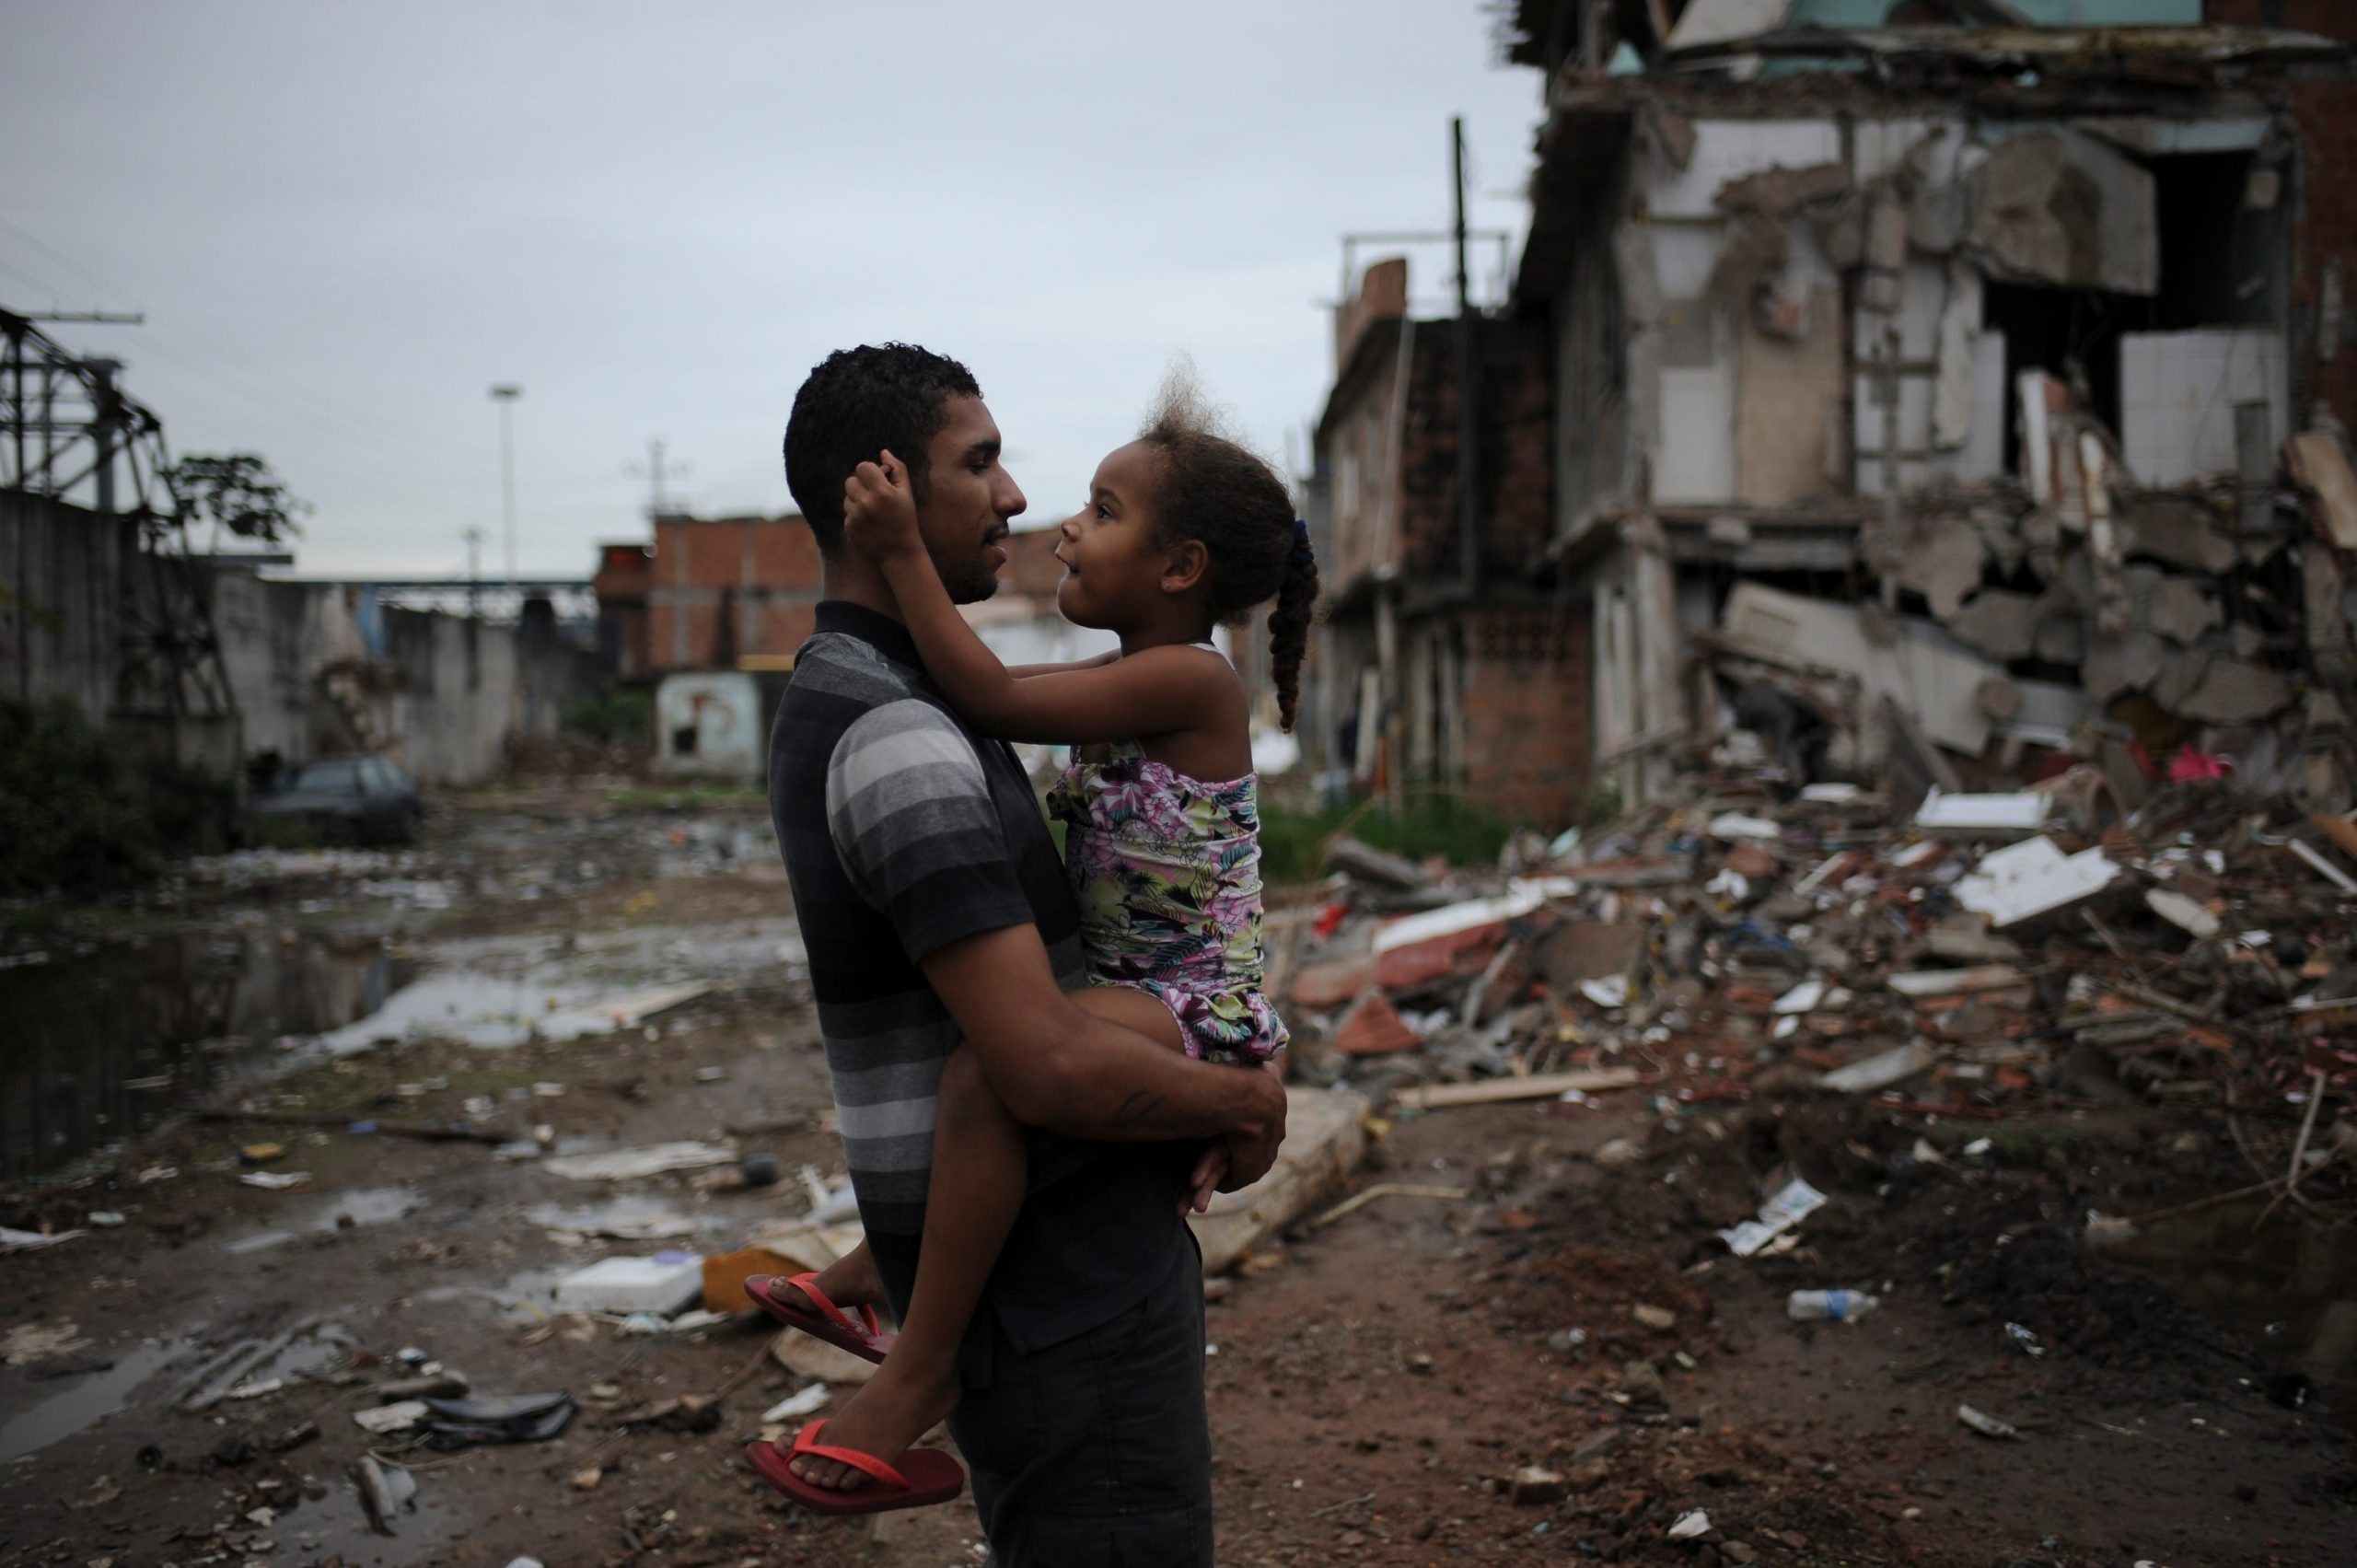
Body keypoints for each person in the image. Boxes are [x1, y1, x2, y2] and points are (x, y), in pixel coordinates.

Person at [747, 343, 1288, 1564]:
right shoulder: (900, 728)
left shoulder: (1154, 680)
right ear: (878, 488)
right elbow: (1038, 1067)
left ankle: (882, 1293)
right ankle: (909, 1366)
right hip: (1066, 1298)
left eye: (1099, 506)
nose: (1020, 502)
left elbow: (991, 690)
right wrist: (1248, 1102)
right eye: (981, 463)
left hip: (1163, 1044)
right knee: (991, 1081)